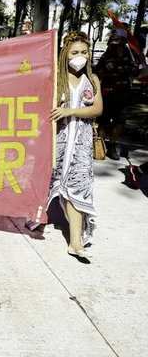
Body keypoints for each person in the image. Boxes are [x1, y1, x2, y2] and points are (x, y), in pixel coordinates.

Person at [48, 31, 103, 259]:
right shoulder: (55, 78)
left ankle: (75, 243)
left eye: (84, 52)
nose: (80, 57)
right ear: (65, 54)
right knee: (49, 183)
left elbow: (97, 109)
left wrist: (70, 110)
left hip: (80, 145)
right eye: (74, 53)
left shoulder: (93, 80)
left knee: (77, 189)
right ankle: (36, 218)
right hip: (57, 142)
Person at [95, 29, 140, 160]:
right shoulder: (106, 55)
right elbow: (98, 73)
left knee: (120, 121)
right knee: (103, 120)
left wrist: (136, 66)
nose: (114, 42)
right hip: (107, 92)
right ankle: (99, 144)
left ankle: (112, 145)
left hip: (124, 93)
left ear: (124, 41)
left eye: (117, 39)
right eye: (112, 39)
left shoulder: (130, 55)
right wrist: (105, 69)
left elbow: (135, 73)